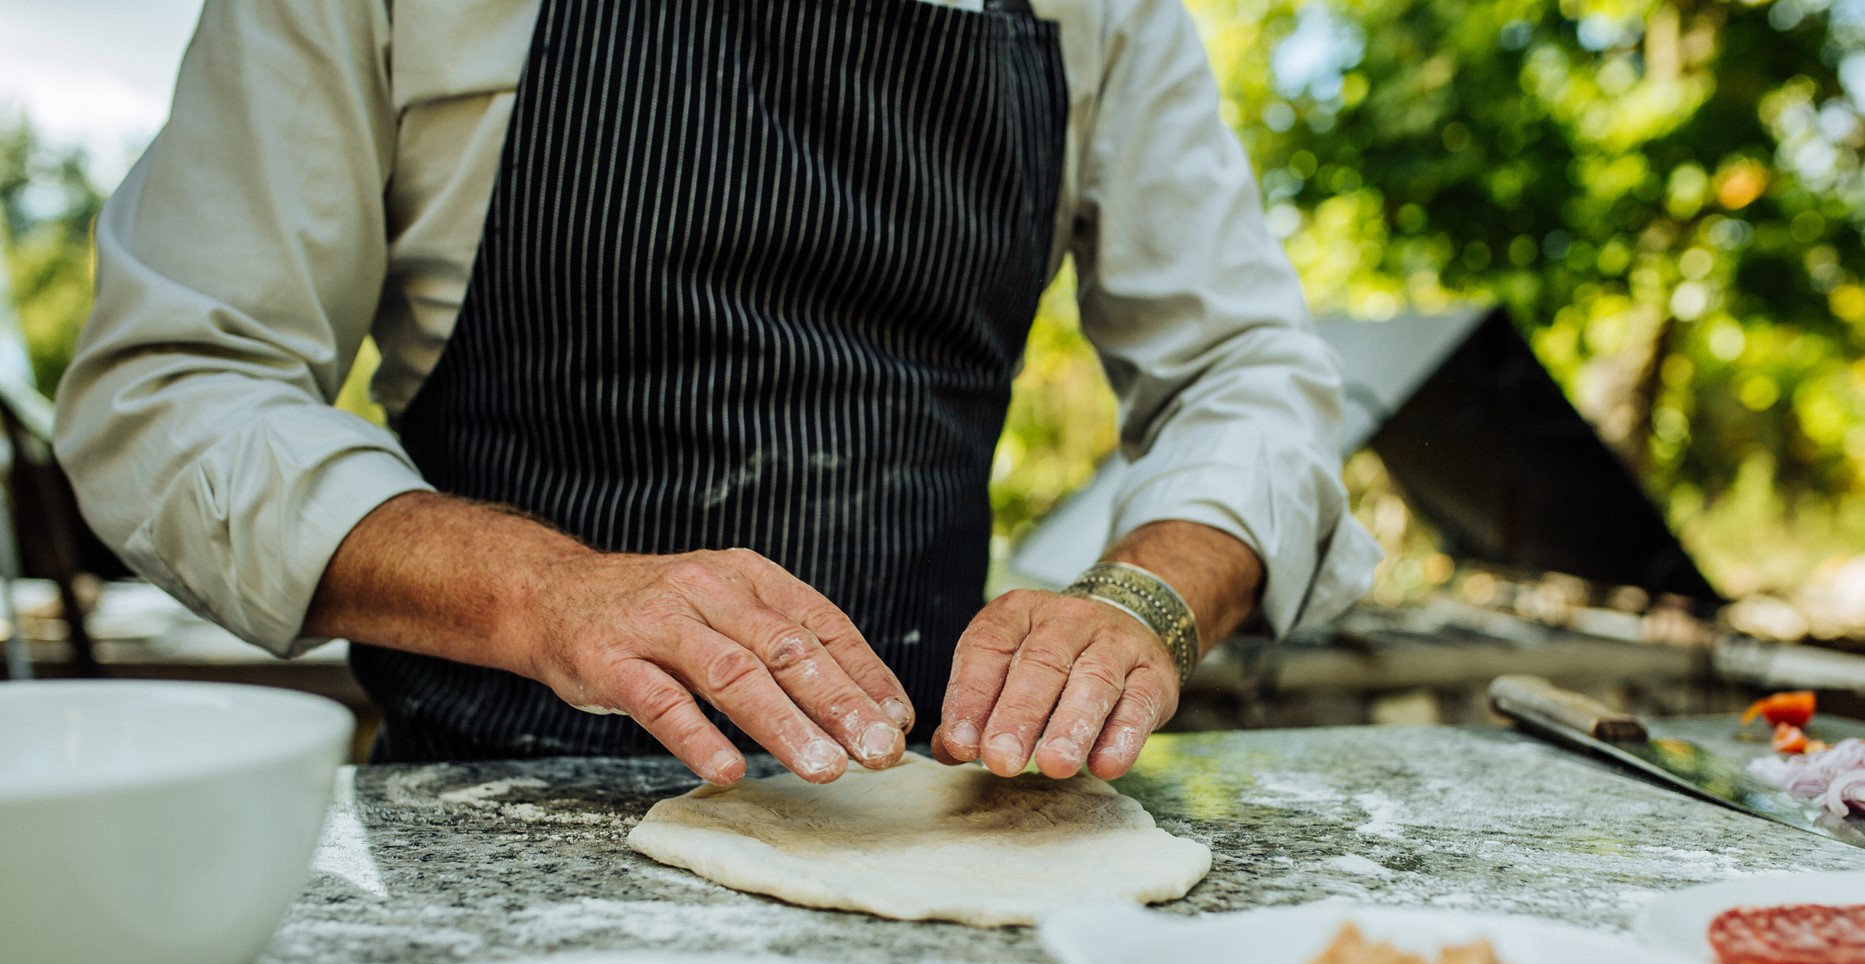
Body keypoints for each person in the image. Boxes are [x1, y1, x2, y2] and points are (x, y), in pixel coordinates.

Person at [53, 0, 1379, 782]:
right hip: (489, 808)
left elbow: (1245, 370)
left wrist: (1145, 594)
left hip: (932, 821)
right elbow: (173, 388)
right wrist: (550, 593)